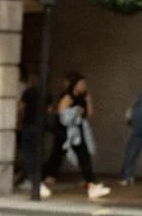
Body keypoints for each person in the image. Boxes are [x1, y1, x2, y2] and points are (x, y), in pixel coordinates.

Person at [43, 72, 110, 200]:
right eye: (81, 84)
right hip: (67, 131)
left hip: (78, 131)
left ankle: (91, 182)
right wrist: (75, 111)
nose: (84, 86)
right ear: (75, 85)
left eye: (85, 84)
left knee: (82, 155)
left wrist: (88, 101)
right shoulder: (68, 97)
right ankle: (38, 177)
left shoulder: (84, 97)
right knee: (58, 155)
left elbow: (89, 113)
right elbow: (61, 113)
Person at [14, 69, 49, 198]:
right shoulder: (46, 93)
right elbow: (49, 111)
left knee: (28, 152)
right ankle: (35, 178)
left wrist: (18, 122)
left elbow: (20, 107)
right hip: (40, 127)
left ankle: (30, 179)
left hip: (29, 125)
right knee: (36, 152)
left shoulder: (28, 92)